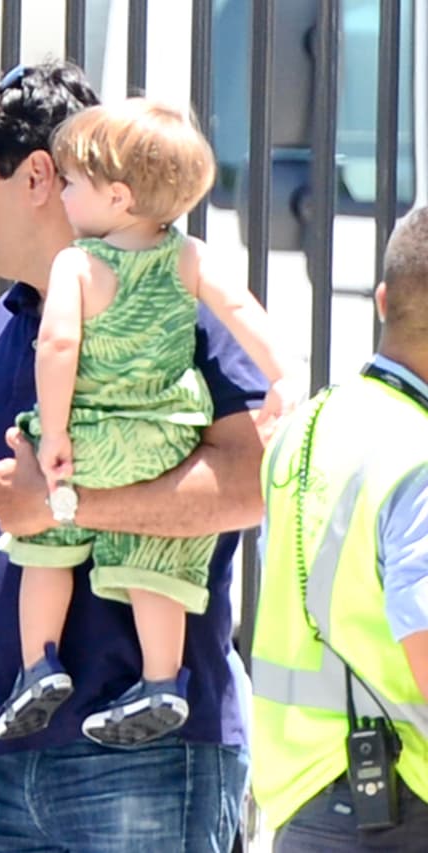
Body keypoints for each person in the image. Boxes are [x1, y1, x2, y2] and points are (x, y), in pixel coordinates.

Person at [0, 62, 266, 851]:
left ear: (38, 176)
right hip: (2, 762)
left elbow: (251, 481)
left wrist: (67, 506)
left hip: (148, 760)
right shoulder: (8, 324)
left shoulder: (173, 299)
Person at [0, 98, 300, 746]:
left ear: (120, 197)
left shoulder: (78, 264)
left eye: (74, 183)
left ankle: (37, 664)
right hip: (167, 436)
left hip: (96, 437)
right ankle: (163, 678)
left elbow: (56, 348)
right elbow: (241, 308)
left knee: (45, 542)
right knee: (151, 557)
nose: (65, 195)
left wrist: (53, 436)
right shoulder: (187, 256)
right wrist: (285, 378)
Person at [251, 207, 428, 849]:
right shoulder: (419, 455)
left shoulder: (310, 423)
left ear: (383, 300)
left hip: (306, 800)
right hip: (405, 803)